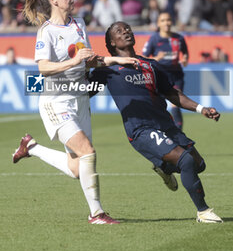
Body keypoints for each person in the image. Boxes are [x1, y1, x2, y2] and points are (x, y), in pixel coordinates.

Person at [12, 0, 138, 225]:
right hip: (55, 101)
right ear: (53, 0)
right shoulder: (46, 31)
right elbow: (44, 68)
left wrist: (114, 61)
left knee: (78, 169)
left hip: (79, 100)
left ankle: (32, 147)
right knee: (87, 152)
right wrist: (73, 61)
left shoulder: (79, 24)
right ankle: (97, 214)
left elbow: (88, 60)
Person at [89, 21, 223, 223]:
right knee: (185, 160)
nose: (126, 31)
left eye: (127, 28)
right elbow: (84, 92)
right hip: (140, 129)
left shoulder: (150, 65)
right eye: (119, 30)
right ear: (111, 42)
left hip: (166, 124)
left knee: (198, 165)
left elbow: (171, 93)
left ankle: (165, 168)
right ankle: (203, 211)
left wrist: (201, 108)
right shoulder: (107, 70)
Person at [142, 12, 189, 129]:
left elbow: (185, 53)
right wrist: (157, 58)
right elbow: (143, 57)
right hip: (159, 76)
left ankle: (178, 133)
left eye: (168, 20)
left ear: (171, 22)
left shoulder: (179, 38)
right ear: (158, 23)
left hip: (176, 76)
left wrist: (185, 59)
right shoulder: (154, 39)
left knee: (176, 104)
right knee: (159, 106)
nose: (166, 23)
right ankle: (162, 130)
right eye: (163, 20)